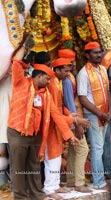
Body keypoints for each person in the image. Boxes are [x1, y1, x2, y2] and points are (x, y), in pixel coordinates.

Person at [7, 40, 80, 200]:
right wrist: (24, 45)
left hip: (35, 134)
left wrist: (70, 135)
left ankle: (37, 195)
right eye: (47, 79)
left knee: (33, 166)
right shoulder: (21, 83)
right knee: (19, 168)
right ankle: (19, 197)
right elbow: (16, 63)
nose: (49, 83)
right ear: (38, 76)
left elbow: (56, 115)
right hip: (18, 132)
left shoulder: (46, 94)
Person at [45, 58, 89, 199]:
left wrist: (69, 113)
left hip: (60, 121)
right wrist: (74, 120)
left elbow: (59, 106)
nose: (68, 74)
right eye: (66, 71)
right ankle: (50, 188)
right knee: (52, 157)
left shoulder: (59, 81)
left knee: (57, 156)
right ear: (56, 70)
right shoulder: (51, 83)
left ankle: (57, 185)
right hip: (52, 124)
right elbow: (52, 110)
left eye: (69, 71)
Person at [77, 42, 111, 190]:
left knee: (102, 147)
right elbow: (83, 98)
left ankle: (101, 178)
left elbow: (107, 92)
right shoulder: (83, 73)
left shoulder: (103, 69)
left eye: (99, 52)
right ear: (87, 55)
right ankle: (98, 181)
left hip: (104, 114)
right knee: (97, 148)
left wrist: (108, 112)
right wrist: (100, 114)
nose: (99, 55)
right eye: (95, 53)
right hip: (93, 115)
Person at [58, 49, 91, 192]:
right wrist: (76, 123)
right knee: (83, 149)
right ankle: (79, 183)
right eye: (71, 62)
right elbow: (69, 103)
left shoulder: (69, 76)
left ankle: (71, 181)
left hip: (71, 117)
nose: (73, 64)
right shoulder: (66, 80)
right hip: (71, 118)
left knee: (73, 149)